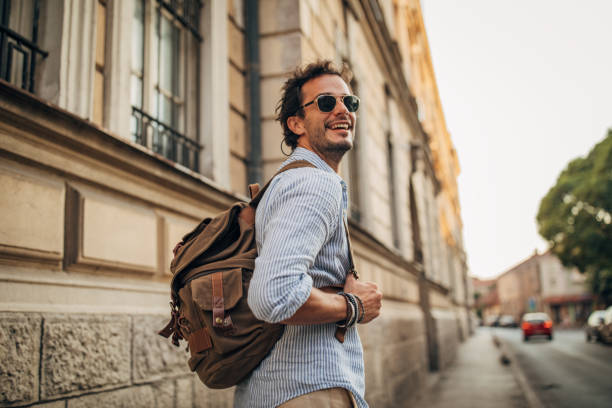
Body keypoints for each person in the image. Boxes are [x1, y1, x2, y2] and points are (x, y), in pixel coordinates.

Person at [234, 60, 383, 407]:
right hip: (307, 391)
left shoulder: (287, 181)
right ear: (296, 123)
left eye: (350, 102)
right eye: (326, 102)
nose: (343, 110)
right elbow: (273, 294)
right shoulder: (315, 183)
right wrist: (354, 305)